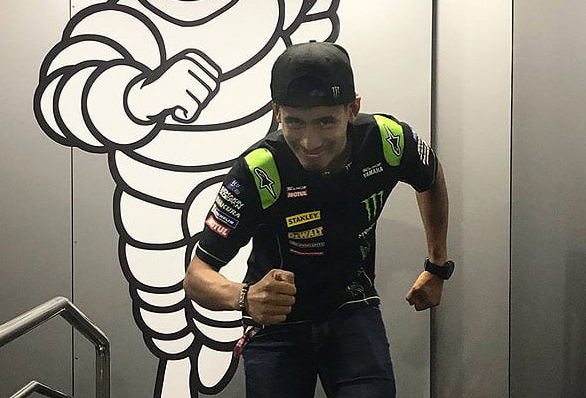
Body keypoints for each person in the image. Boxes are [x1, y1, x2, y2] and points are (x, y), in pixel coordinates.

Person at [183, 41, 453, 398]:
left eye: (326, 121)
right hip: (277, 324)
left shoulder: (388, 140)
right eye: (295, 122)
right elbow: (196, 277)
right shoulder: (258, 171)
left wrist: (436, 267)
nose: (310, 142)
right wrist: (245, 297)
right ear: (277, 113)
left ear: (353, 109)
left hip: (352, 307)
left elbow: (430, 177)